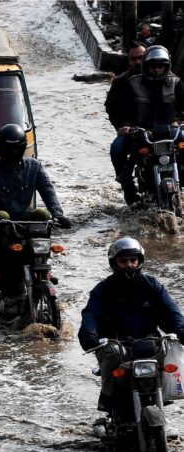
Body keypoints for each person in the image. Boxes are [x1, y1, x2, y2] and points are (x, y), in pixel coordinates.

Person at [78, 238, 184, 410]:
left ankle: (161, 393)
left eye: (133, 260)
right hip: (116, 343)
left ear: (139, 261)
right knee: (112, 353)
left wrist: (181, 329)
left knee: (168, 350)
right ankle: (108, 399)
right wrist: (89, 335)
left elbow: (172, 310)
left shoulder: (152, 285)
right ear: (114, 263)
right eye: (123, 260)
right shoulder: (103, 289)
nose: (129, 264)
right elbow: (90, 314)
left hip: (149, 341)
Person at [0, 124, 71, 291]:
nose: (13, 153)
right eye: (9, 149)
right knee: (3, 215)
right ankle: (1, 274)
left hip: (25, 219)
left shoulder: (34, 166)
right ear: (1, 149)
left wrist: (58, 214)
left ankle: (42, 265)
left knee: (42, 214)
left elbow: (48, 191)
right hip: (1, 224)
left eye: (16, 149)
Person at [114, 44, 184, 205]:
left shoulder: (176, 82)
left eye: (161, 66)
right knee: (117, 148)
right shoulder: (132, 83)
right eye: (153, 66)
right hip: (142, 132)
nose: (157, 70)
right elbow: (122, 108)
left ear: (167, 67)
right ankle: (128, 187)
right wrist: (125, 126)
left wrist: (180, 120)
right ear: (147, 67)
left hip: (171, 131)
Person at [105, 41, 145, 198]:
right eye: (134, 59)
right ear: (128, 61)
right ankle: (128, 188)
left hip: (162, 130)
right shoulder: (120, 82)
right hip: (133, 131)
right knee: (117, 148)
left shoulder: (166, 77)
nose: (138, 62)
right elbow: (111, 107)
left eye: (141, 57)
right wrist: (121, 126)